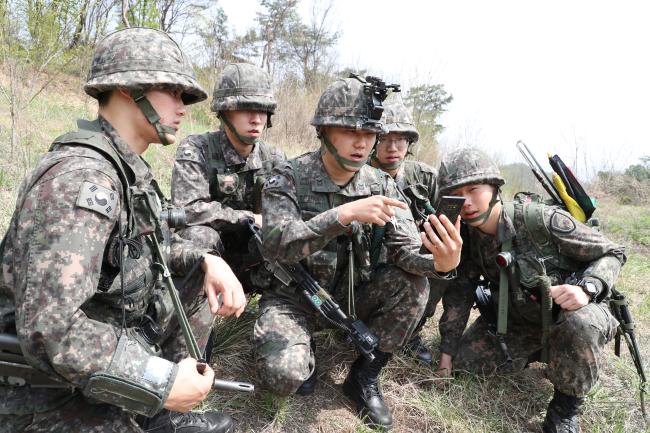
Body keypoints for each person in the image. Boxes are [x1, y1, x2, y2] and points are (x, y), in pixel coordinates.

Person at [0, 28, 246, 433]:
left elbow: (145, 249)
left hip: (89, 351)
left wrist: (206, 258)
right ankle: (153, 404)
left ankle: (156, 415)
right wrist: (158, 382)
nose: (184, 107)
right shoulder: (83, 181)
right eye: (173, 91)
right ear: (129, 89)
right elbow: (50, 329)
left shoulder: (125, 170)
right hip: (42, 393)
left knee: (195, 271)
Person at [253, 74, 463, 430]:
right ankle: (306, 348)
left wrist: (440, 263)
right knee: (284, 378)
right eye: (351, 132)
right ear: (324, 131)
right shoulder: (287, 177)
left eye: (369, 135)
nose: (362, 144)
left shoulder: (381, 183)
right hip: (295, 297)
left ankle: (363, 377)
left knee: (414, 285)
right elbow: (276, 245)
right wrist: (341, 216)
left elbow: (404, 251)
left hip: (352, 296)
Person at [434, 148, 625, 433]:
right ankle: (541, 353)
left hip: (571, 313)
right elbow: (459, 295)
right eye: (457, 194)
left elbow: (613, 252)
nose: (467, 202)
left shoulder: (540, 220)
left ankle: (564, 409)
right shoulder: (467, 238)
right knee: (464, 365)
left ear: (495, 188)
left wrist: (588, 288)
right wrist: (447, 353)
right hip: (521, 318)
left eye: (474, 189)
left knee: (579, 323)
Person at [171, 63, 285, 292]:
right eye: (246, 109)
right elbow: (189, 211)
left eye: (262, 110)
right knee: (200, 234)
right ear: (224, 112)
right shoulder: (197, 149)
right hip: (210, 257)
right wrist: (249, 217)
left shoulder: (274, 157)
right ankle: (196, 308)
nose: (256, 119)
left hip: (252, 259)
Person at [369, 94, 450, 368]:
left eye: (400, 139)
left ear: (409, 143)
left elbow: (444, 223)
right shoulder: (360, 174)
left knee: (443, 263)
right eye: (384, 139)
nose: (393, 147)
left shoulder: (424, 178)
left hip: (413, 256)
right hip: (370, 259)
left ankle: (412, 330)